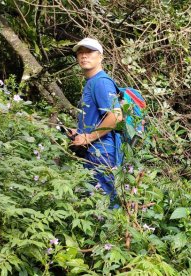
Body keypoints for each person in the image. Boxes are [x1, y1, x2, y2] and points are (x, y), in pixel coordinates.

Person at [68, 37, 123, 209]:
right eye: (80, 52)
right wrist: (79, 132)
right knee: (95, 205)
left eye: (89, 52)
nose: (84, 56)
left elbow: (115, 117)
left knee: (106, 206)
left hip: (102, 153)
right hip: (94, 152)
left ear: (100, 57)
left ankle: (115, 235)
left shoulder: (101, 82)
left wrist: (89, 137)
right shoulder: (91, 82)